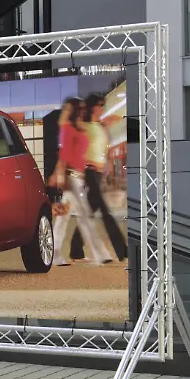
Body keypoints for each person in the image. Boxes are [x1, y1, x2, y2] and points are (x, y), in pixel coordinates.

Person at [49, 98, 113, 267]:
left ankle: (54, 254)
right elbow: (63, 155)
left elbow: (80, 155)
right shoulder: (68, 129)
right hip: (70, 177)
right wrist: (61, 177)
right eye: (82, 108)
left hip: (77, 176)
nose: (85, 110)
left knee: (65, 218)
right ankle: (100, 254)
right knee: (84, 216)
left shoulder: (81, 128)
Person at [69, 93, 128, 262]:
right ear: (91, 107)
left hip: (99, 172)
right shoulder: (84, 126)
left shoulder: (100, 126)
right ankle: (121, 249)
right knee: (105, 210)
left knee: (89, 210)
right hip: (89, 170)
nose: (101, 108)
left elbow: (104, 146)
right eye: (98, 105)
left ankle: (76, 248)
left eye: (102, 105)